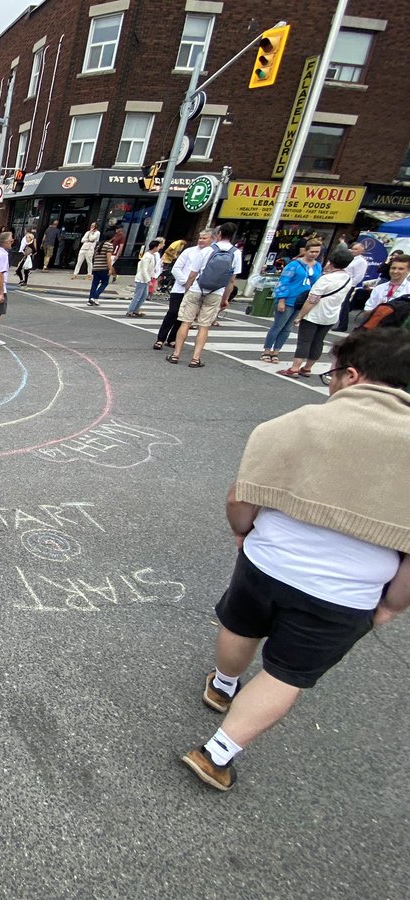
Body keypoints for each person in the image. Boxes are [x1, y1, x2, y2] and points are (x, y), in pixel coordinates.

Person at [181, 328, 410, 792]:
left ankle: (223, 685)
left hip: (268, 559)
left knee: (240, 625)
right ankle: (216, 753)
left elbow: (241, 497)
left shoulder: (295, 423)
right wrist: (391, 605)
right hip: (348, 590)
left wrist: (242, 533)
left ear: (351, 375)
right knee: (287, 674)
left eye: (331, 375)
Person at [166, 223, 242, 368]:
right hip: (216, 292)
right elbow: (232, 280)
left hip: (197, 289)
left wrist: (188, 289)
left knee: (185, 322)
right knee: (204, 326)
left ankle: (176, 355)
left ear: (218, 234)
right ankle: (195, 358)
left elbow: (193, 273)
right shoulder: (236, 253)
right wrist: (226, 298)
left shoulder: (207, 251)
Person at [280, 248, 355, 378]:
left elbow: (312, 300)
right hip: (331, 315)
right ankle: (308, 368)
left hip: (314, 314)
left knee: (304, 341)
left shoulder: (326, 279)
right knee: (318, 341)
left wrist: (300, 316)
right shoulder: (348, 279)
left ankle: (295, 368)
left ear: (331, 261)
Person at [263, 239, 321, 363]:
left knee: (288, 328)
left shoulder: (317, 266)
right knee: (278, 326)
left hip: (302, 301)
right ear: (305, 251)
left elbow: (317, 284)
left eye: (317, 252)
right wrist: (281, 300)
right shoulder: (294, 265)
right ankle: (267, 350)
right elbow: (283, 282)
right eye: (312, 251)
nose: (314, 254)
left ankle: (276, 351)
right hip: (289, 299)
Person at [154, 231, 209, 350]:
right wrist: (185, 282)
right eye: (200, 238)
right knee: (173, 312)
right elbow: (176, 269)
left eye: (204, 238)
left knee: (183, 316)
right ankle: (160, 338)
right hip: (180, 288)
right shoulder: (189, 252)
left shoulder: (210, 254)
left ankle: (172, 338)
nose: (201, 240)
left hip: (196, 290)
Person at [127, 239, 163, 317]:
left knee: (143, 296)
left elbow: (150, 269)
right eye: (158, 246)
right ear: (155, 247)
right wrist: (148, 280)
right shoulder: (147, 256)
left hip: (145, 279)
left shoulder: (152, 255)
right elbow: (144, 269)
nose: (159, 248)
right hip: (141, 279)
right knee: (138, 296)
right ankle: (131, 311)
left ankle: (135, 310)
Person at [85, 232, 117, 308]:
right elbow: (108, 258)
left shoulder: (99, 244)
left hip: (96, 267)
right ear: (112, 237)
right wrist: (110, 268)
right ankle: (94, 296)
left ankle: (92, 299)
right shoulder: (109, 245)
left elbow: (95, 256)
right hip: (103, 267)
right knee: (105, 283)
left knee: (94, 283)